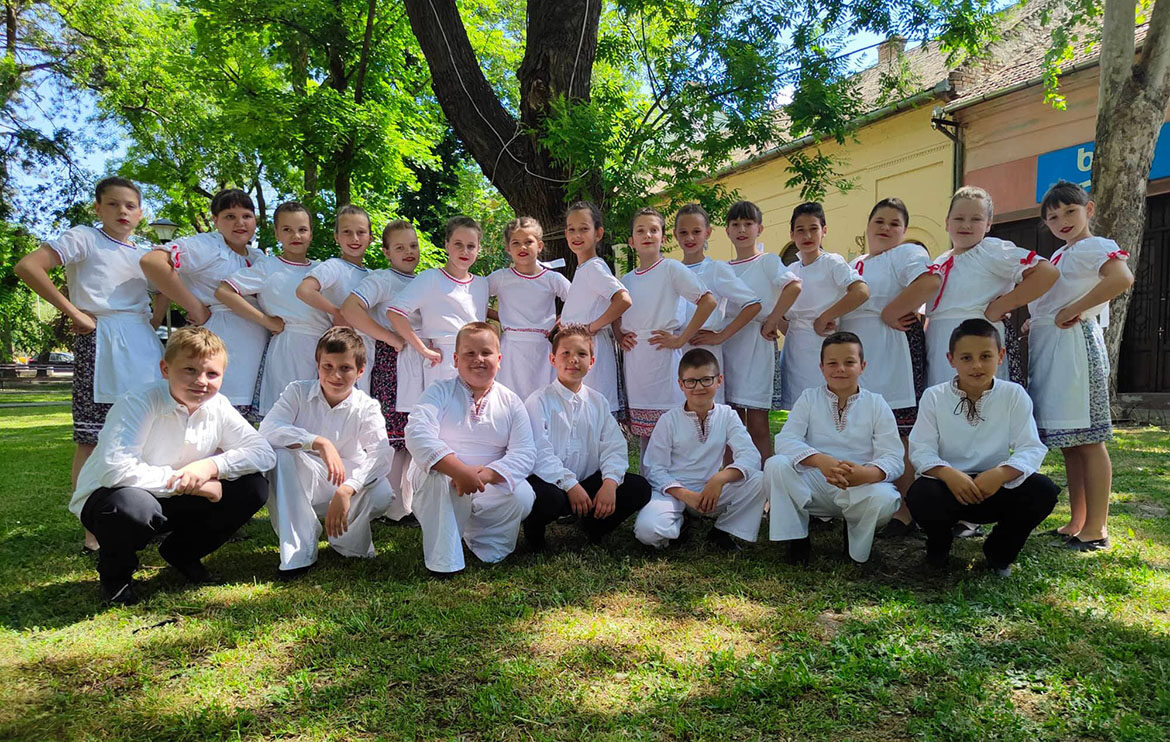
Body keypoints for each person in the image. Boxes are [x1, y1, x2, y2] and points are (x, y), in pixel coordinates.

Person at [68, 327, 275, 605]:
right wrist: (194, 485)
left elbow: (263, 452)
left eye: (212, 374)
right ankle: (116, 577)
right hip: (113, 496)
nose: (201, 381)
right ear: (165, 369)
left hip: (173, 494)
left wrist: (210, 467)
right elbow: (114, 470)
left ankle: (182, 553)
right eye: (189, 370)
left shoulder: (219, 406)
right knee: (129, 507)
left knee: (253, 487)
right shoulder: (138, 402)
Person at [14, 176, 164, 551]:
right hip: (102, 339)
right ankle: (92, 530)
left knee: (149, 431)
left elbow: (163, 292)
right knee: (92, 437)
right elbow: (29, 266)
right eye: (113, 204)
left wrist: (155, 318)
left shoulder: (144, 254)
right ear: (98, 208)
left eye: (130, 206)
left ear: (141, 213)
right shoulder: (84, 238)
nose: (122, 211)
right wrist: (75, 313)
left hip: (143, 343)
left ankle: (146, 517)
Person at [906, 319, 1059, 576]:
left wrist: (1000, 474)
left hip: (995, 487)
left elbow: (1031, 447)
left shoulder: (1013, 394)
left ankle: (999, 552)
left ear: (1000, 356)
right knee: (921, 494)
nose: (976, 365)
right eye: (966, 358)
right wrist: (948, 474)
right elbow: (921, 449)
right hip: (950, 488)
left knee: (1042, 490)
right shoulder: (934, 396)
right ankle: (938, 547)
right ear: (951, 359)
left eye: (985, 356)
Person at [1028, 180, 1134, 552]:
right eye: (1053, 217)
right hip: (1054, 349)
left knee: (1089, 440)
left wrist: (1074, 309)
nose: (1062, 221)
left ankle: (1096, 527)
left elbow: (1121, 278)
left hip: (1076, 347)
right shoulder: (1061, 254)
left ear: (1088, 210)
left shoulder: (1095, 245)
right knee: (1071, 443)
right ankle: (1077, 521)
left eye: (1070, 211)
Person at [838, 198, 940, 537]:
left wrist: (891, 311)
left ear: (904, 231)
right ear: (867, 225)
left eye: (894, 223)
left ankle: (905, 510)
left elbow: (929, 282)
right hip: (860, 354)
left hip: (894, 349)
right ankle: (867, 499)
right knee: (864, 430)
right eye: (879, 221)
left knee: (899, 431)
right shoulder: (856, 263)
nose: (885, 228)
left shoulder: (907, 253)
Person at [259, 328, 394, 578]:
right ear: (318, 365)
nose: (335, 375)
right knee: (281, 457)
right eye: (328, 366)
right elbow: (268, 429)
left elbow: (381, 453)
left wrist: (348, 488)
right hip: (304, 478)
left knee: (382, 492)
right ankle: (299, 551)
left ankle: (347, 539)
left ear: (360, 371)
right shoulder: (297, 392)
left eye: (345, 368)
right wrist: (317, 441)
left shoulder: (366, 406)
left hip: (345, 479)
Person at [404, 322, 536, 576]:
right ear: (455, 359)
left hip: (488, 483)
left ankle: (486, 545)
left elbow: (525, 452)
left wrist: (484, 475)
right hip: (445, 480)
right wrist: (459, 471)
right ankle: (444, 562)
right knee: (438, 479)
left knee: (522, 495)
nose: (479, 359)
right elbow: (417, 433)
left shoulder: (511, 401)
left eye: (486, 353)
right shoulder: (438, 392)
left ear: (499, 359)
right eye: (470, 353)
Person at [765, 332, 903, 565]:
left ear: (862, 366)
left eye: (849, 362)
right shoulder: (809, 398)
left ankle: (854, 541)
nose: (840, 369)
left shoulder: (876, 403)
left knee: (886, 498)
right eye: (832, 363)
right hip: (815, 481)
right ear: (821, 367)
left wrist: (865, 474)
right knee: (776, 465)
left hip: (858, 485)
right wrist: (820, 460)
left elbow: (893, 456)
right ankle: (797, 539)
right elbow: (786, 440)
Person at [141, 189, 268, 419]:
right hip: (222, 343)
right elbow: (153, 262)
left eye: (246, 216)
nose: (240, 223)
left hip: (252, 355)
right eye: (230, 216)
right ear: (215, 220)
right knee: (213, 420)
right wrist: (195, 307)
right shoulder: (209, 246)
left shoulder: (256, 256)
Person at [522, 324, 651, 550]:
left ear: (591, 362)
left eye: (581, 354)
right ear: (553, 359)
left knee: (638, 487)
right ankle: (535, 534)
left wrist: (609, 483)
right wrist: (570, 485)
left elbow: (613, 446)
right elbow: (539, 452)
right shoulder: (539, 400)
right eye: (566, 353)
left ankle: (594, 525)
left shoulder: (598, 401)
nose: (573, 359)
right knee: (547, 498)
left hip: (587, 481)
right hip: (551, 483)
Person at [923, 186, 1059, 388]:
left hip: (978, 344)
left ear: (988, 224)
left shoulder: (991, 251)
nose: (966, 225)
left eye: (976, 219)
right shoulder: (940, 261)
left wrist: (1001, 306)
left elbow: (1047, 272)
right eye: (959, 218)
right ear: (947, 222)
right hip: (938, 350)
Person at [633, 348, 765, 551]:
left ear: (719, 380)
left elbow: (750, 456)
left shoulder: (727, 415)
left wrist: (719, 479)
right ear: (681, 384)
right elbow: (654, 468)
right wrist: (685, 495)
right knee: (647, 531)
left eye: (706, 380)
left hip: (710, 491)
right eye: (691, 381)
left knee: (760, 479)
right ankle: (682, 522)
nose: (699, 387)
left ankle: (722, 531)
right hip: (673, 492)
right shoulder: (668, 420)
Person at [214, 201, 330, 414]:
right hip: (287, 351)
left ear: (311, 233)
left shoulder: (323, 269)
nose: (296, 236)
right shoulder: (269, 267)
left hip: (324, 350)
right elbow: (224, 291)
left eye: (302, 229)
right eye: (287, 229)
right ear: (277, 233)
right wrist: (266, 321)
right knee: (286, 413)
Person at [341, 220, 422, 522]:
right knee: (393, 437)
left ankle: (406, 504)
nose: (408, 252)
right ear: (387, 252)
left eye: (413, 245)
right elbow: (350, 309)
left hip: (419, 362)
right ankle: (390, 507)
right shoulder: (382, 279)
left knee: (413, 435)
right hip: (393, 362)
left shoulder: (423, 279)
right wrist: (389, 337)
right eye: (399, 247)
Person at [619, 207, 717, 445]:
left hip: (663, 359)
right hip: (636, 363)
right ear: (631, 241)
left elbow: (708, 301)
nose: (647, 235)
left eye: (654, 230)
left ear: (663, 238)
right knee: (646, 436)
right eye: (641, 231)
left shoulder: (671, 268)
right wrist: (618, 336)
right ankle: (648, 470)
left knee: (673, 433)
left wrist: (681, 339)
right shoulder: (626, 279)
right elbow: (615, 313)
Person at [720, 200, 802, 461]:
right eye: (735, 225)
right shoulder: (723, 268)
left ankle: (766, 479)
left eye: (748, 224)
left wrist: (773, 320)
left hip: (756, 344)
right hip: (728, 344)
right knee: (731, 425)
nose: (742, 230)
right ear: (727, 231)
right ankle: (734, 480)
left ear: (760, 229)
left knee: (757, 424)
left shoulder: (767, 261)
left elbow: (794, 286)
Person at [778, 202, 869, 410]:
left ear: (824, 230)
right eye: (800, 230)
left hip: (824, 346)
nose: (807, 236)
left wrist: (825, 317)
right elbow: (781, 312)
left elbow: (861, 291)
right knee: (798, 410)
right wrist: (786, 328)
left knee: (826, 406)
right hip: (794, 351)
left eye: (813, 229)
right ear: (792, 234)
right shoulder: (791, 270)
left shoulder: (832, 262)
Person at [387, 216, 489, 392]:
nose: (464, 251)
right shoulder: (431, 278)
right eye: (458, 244)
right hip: (443, 361)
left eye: (471, 246)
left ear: (478, 248)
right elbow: (395, 313)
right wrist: (423, 350)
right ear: (447, 245)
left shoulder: (482, 284)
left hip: (477, 360)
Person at [674, 203, 762, 405]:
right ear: (675, 234)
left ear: (708, 232)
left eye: (696, 232)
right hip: (678, 351)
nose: (689, 238)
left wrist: (721, 335)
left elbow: (753, 304)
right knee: (682, 409)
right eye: (684, 232)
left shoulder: (716, 269)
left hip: (706, 350)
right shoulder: (672, 270)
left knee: (710, 409)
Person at [486, 216, 571, 400]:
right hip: (510, 350)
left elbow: (578, 301)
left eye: (528, 242)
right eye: (516, 243)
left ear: (539, 246)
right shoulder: (501, 277)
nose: (522, 247)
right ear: (508, 248)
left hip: (541, 350)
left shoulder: (552, 279)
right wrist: (500, 316)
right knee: (509, 400)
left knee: (542, 399)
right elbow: (474, 298)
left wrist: (562, 320)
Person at [559, 201, 632, 415]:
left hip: (591, 351)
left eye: (584, 229)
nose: (577, 235)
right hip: (581, 349)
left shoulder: (594, 268)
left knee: (593, 414)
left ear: (598, 233)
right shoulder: (585, 268)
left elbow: (623, 300)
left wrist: (590, 327)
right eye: (572, 229)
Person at [296, 204, 377, 394]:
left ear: (370, 237)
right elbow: (304, 290)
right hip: (342, 355)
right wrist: (338, 313)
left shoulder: (374, 275)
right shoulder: (334, 266)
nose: (354, 238)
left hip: (369, 353)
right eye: (347, 232)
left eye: (361, 232)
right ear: (336, 237)